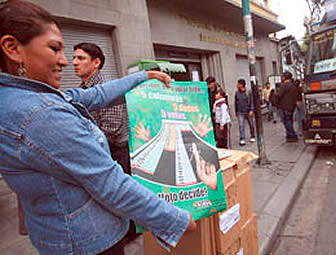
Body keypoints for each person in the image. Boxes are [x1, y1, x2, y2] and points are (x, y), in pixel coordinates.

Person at [0, 1, 196, 255]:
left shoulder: (23, 98)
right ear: (12, 48)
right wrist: (176, 220)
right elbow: (111, 183)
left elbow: (96, 95)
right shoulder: (41, 114)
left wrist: (143, 77)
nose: (65, 62)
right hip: (88, 242)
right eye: (54, 49)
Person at [73, 42, 141, 247]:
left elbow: (110, 128)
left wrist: (81, 145)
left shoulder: (107, 89)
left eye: (81, 58)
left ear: (96, 63)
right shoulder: (82, 90)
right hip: (98, 151)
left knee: (122, 194)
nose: (74, 63)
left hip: (115, 152)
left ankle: (130, 231)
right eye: (74, 57)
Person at [275, 71, 299, 142]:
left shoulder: (284, 85)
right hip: (291, 106)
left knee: (286, 121)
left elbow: (278, 95)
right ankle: (289, 135)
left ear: (284, 77)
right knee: (289, 120)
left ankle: (292, 135)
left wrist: (275, 101)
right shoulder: (293, 85)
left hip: (284, 106)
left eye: (282, 76)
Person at [234, 79, 256, 146]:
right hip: (240, 112)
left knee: (251, 124)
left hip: (248, 110)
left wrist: (252, 110)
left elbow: (252, 101)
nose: (237, 85)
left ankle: (252, 136)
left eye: (238, 84)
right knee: (241, 125)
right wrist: (236, 111)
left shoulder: (248, 92)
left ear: (241, 85)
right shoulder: (237, 93)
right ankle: (242, 138)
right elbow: (236, 102)